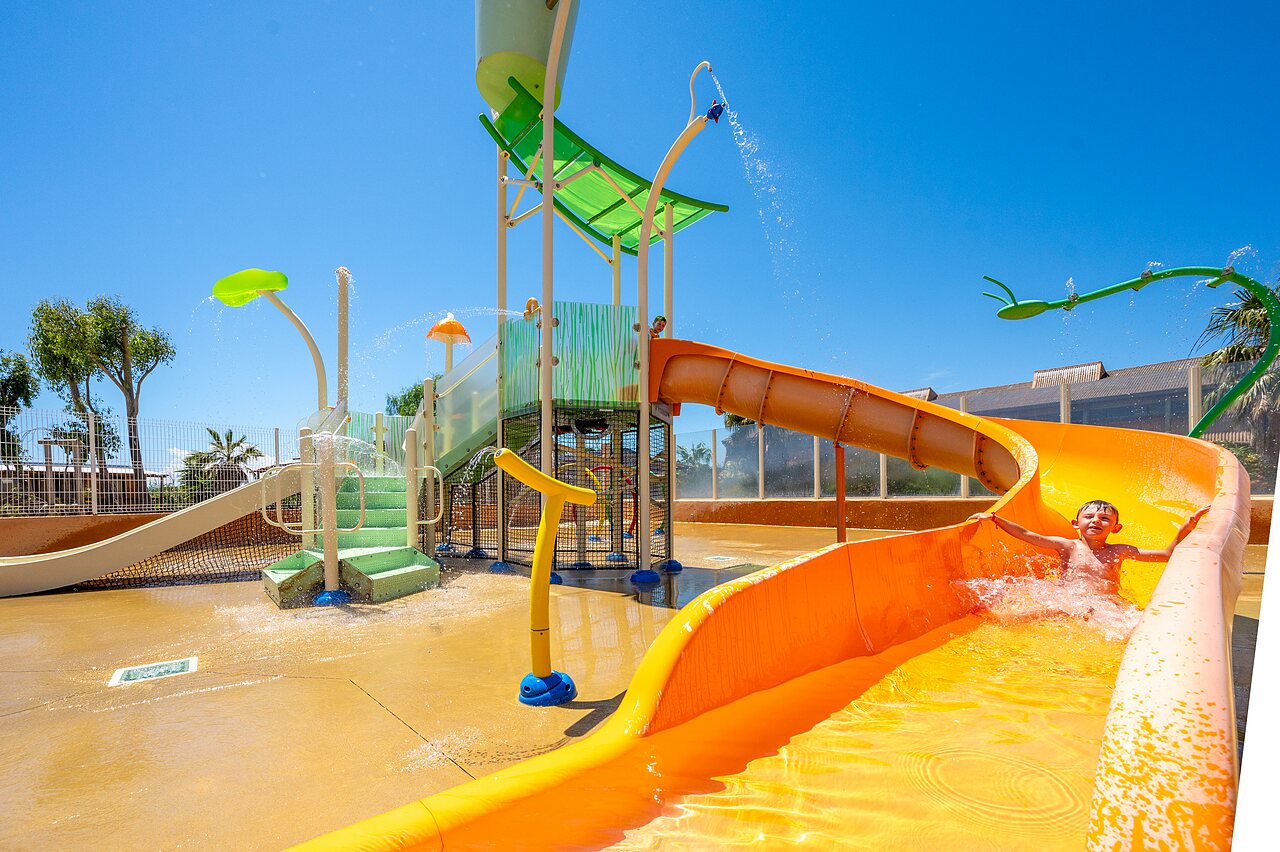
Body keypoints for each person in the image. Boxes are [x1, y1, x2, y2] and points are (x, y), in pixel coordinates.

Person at [969, 500, 1209, 595]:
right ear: (1076, 524)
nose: (1096, 520)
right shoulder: (1067, 546)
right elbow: (1028, 535)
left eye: (1104, 519)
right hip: (1067, 599)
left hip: (1105, 603)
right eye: (1090, 516)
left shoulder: (1119, 551)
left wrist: (1187, 526)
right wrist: (994, 518)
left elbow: (1166, 555)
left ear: (1116, 528)